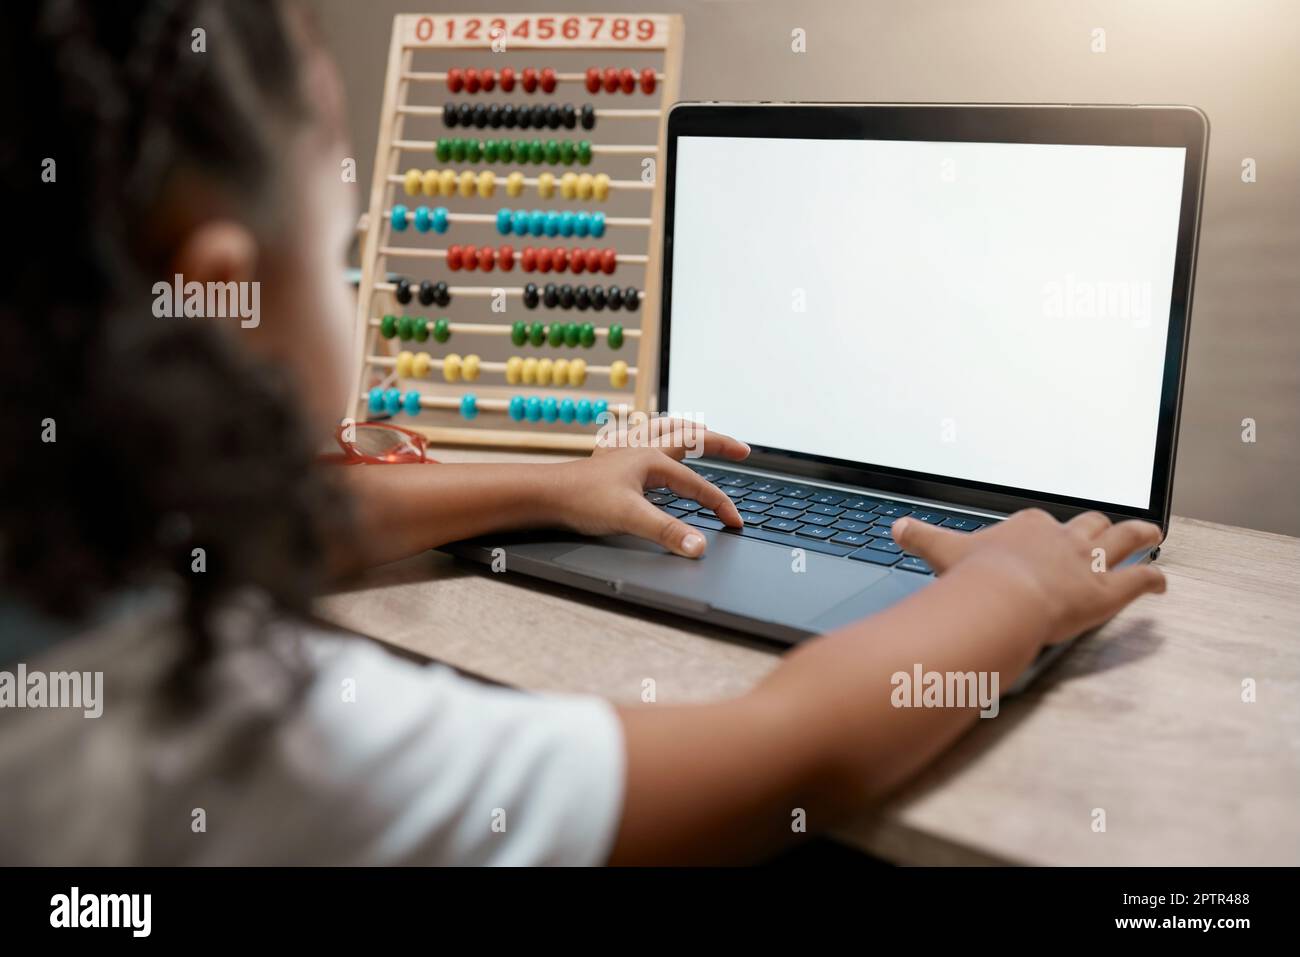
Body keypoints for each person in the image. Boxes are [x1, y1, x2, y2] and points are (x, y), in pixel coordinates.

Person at [0, 0, 1165, 865]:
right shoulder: (230, 742)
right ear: (226, 303)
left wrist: (549, 486)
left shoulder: (64, 541)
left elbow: (290, 513)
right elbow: (783, 753)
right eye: (339, 243)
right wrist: (1012, 591)